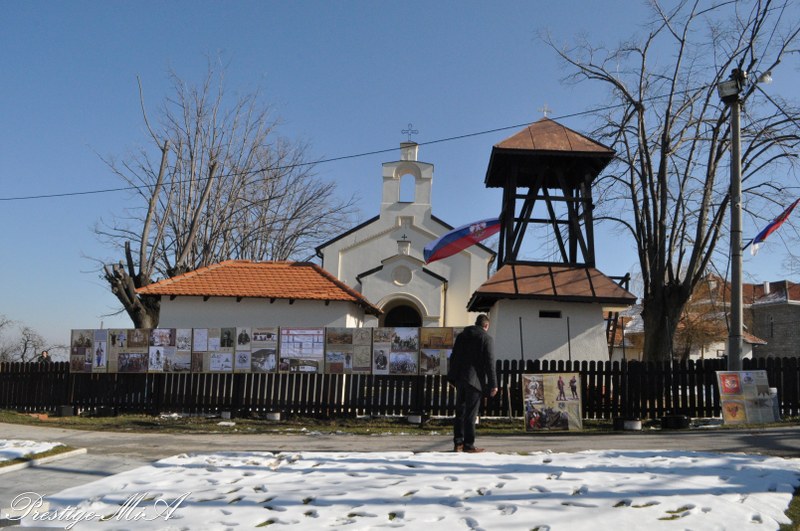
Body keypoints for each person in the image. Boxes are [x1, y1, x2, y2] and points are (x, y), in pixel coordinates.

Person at [447, 314, 497, 453]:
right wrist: (493, 384)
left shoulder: (462, 336)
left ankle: (458, 443)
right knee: (471, 414)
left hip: (460, 378)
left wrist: (452, 378)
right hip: (475, 381)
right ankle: (469, 445)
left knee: (460, 412)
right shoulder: (486, 338)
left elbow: (454, 357)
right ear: (486, 325)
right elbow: (490, 363)